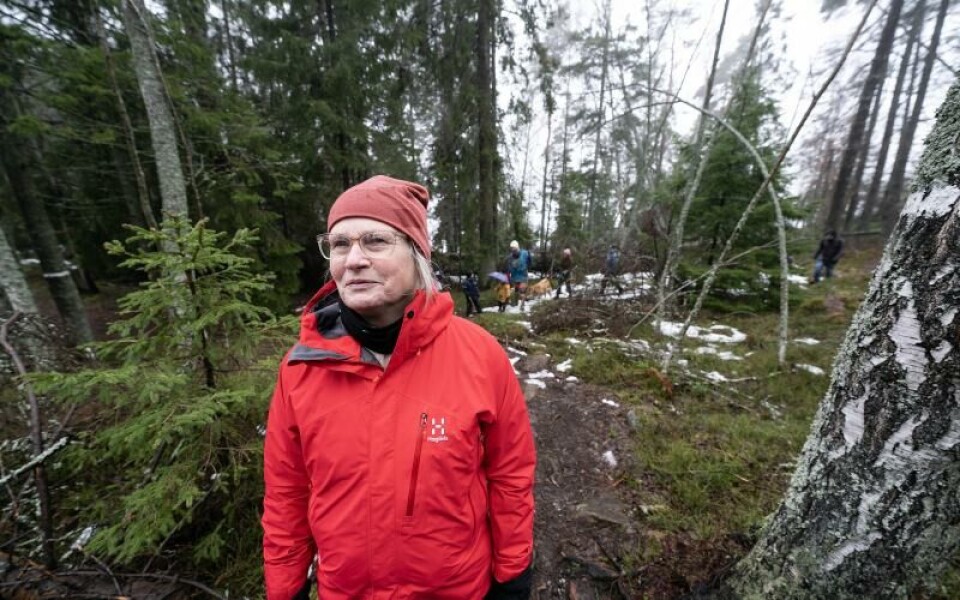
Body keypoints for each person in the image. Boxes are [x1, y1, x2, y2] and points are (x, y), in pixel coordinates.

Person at [263, 175, 536, 600]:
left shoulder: (480, 355)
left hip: (457, 591)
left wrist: (513, 576)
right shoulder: (301, 368)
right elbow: (286, 493)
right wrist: (286, 589)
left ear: (417, 253)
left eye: (375, 241)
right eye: (340, 244)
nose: (354, 259)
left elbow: (510, 475)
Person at [505, 240, 531, 307]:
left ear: (518, 247)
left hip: (523, 276)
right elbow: (508, 268)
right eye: (512, 249)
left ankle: (522, 305)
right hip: (514, 277)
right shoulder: (510, 257)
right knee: (516, 291)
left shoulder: (525, 253)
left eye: (514, 248)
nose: (513, 250)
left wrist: (527, 267)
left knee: (522, 291)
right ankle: (515, 304)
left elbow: (529, 262)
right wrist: (508, 278)